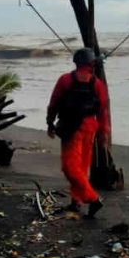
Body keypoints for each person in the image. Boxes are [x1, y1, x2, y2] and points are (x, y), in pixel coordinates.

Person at [46, 47, 110, 218]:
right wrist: (103, 134)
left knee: (70, 167)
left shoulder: (65, 80)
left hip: (72, 129)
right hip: (89, 128)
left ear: (76, 63)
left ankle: (93, 199)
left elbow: (53, 103)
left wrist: (50, 122)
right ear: (91, 64)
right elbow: (103, 112)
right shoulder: (98, 84)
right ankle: (76, 202)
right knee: (80, 167)